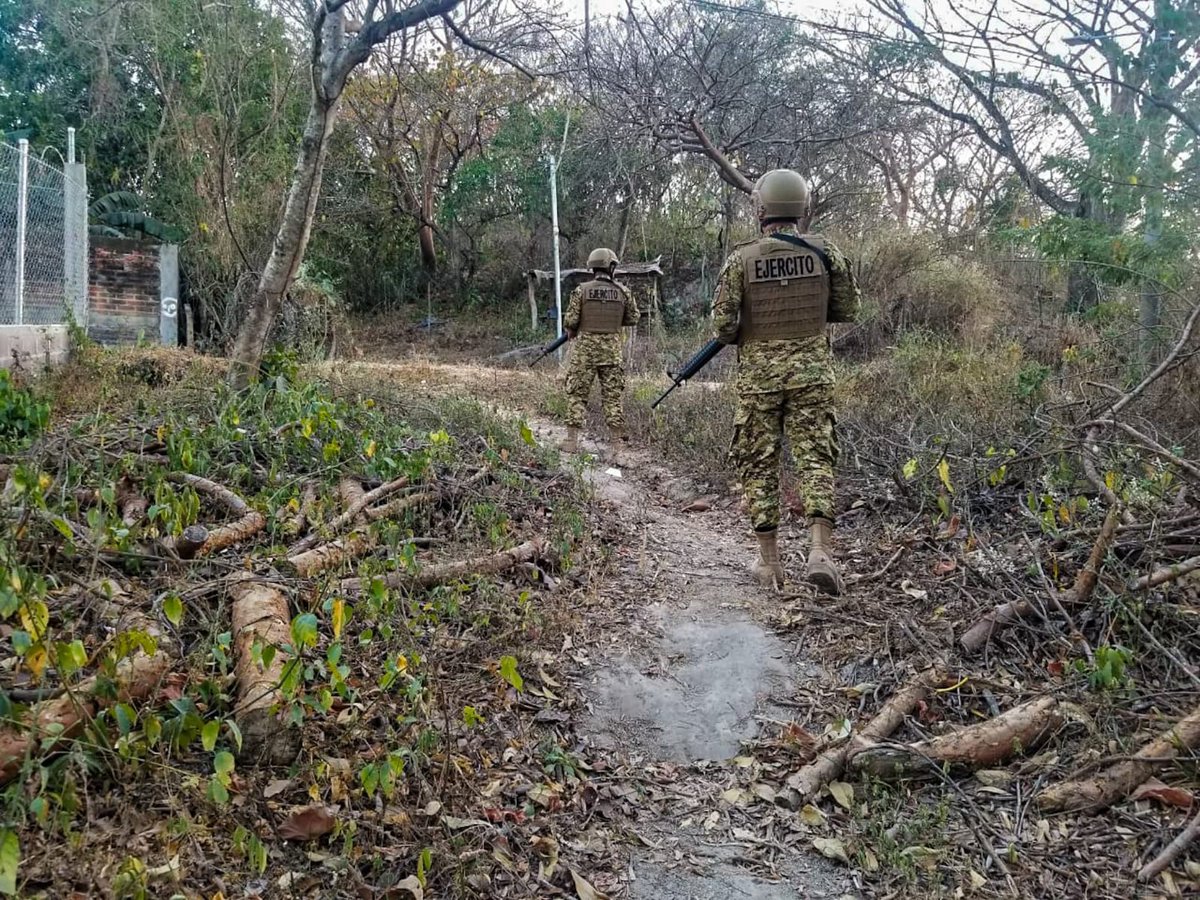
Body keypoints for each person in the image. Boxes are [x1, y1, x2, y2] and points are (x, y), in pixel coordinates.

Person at [711, 169, 860, 594]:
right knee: (816, 458)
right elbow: (848, 308)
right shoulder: (826, 252)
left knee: (759, 464)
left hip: (759, 380)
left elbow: (722, 326)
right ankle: (820, 552)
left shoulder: (742, 259)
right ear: (802, 208)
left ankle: (769, 562)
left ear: (761, 209)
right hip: (813, 375)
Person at [560, 248, 641, 454]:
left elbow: (570, 321)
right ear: (611, 267)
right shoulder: (623, 291)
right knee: (612, 397)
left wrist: (573, 329)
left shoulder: (582, 290)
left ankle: (571, 441)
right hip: (611, 353)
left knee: (577, 394)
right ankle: (617, 446)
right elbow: (633, 318)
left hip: (585, 353)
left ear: (592, 267)